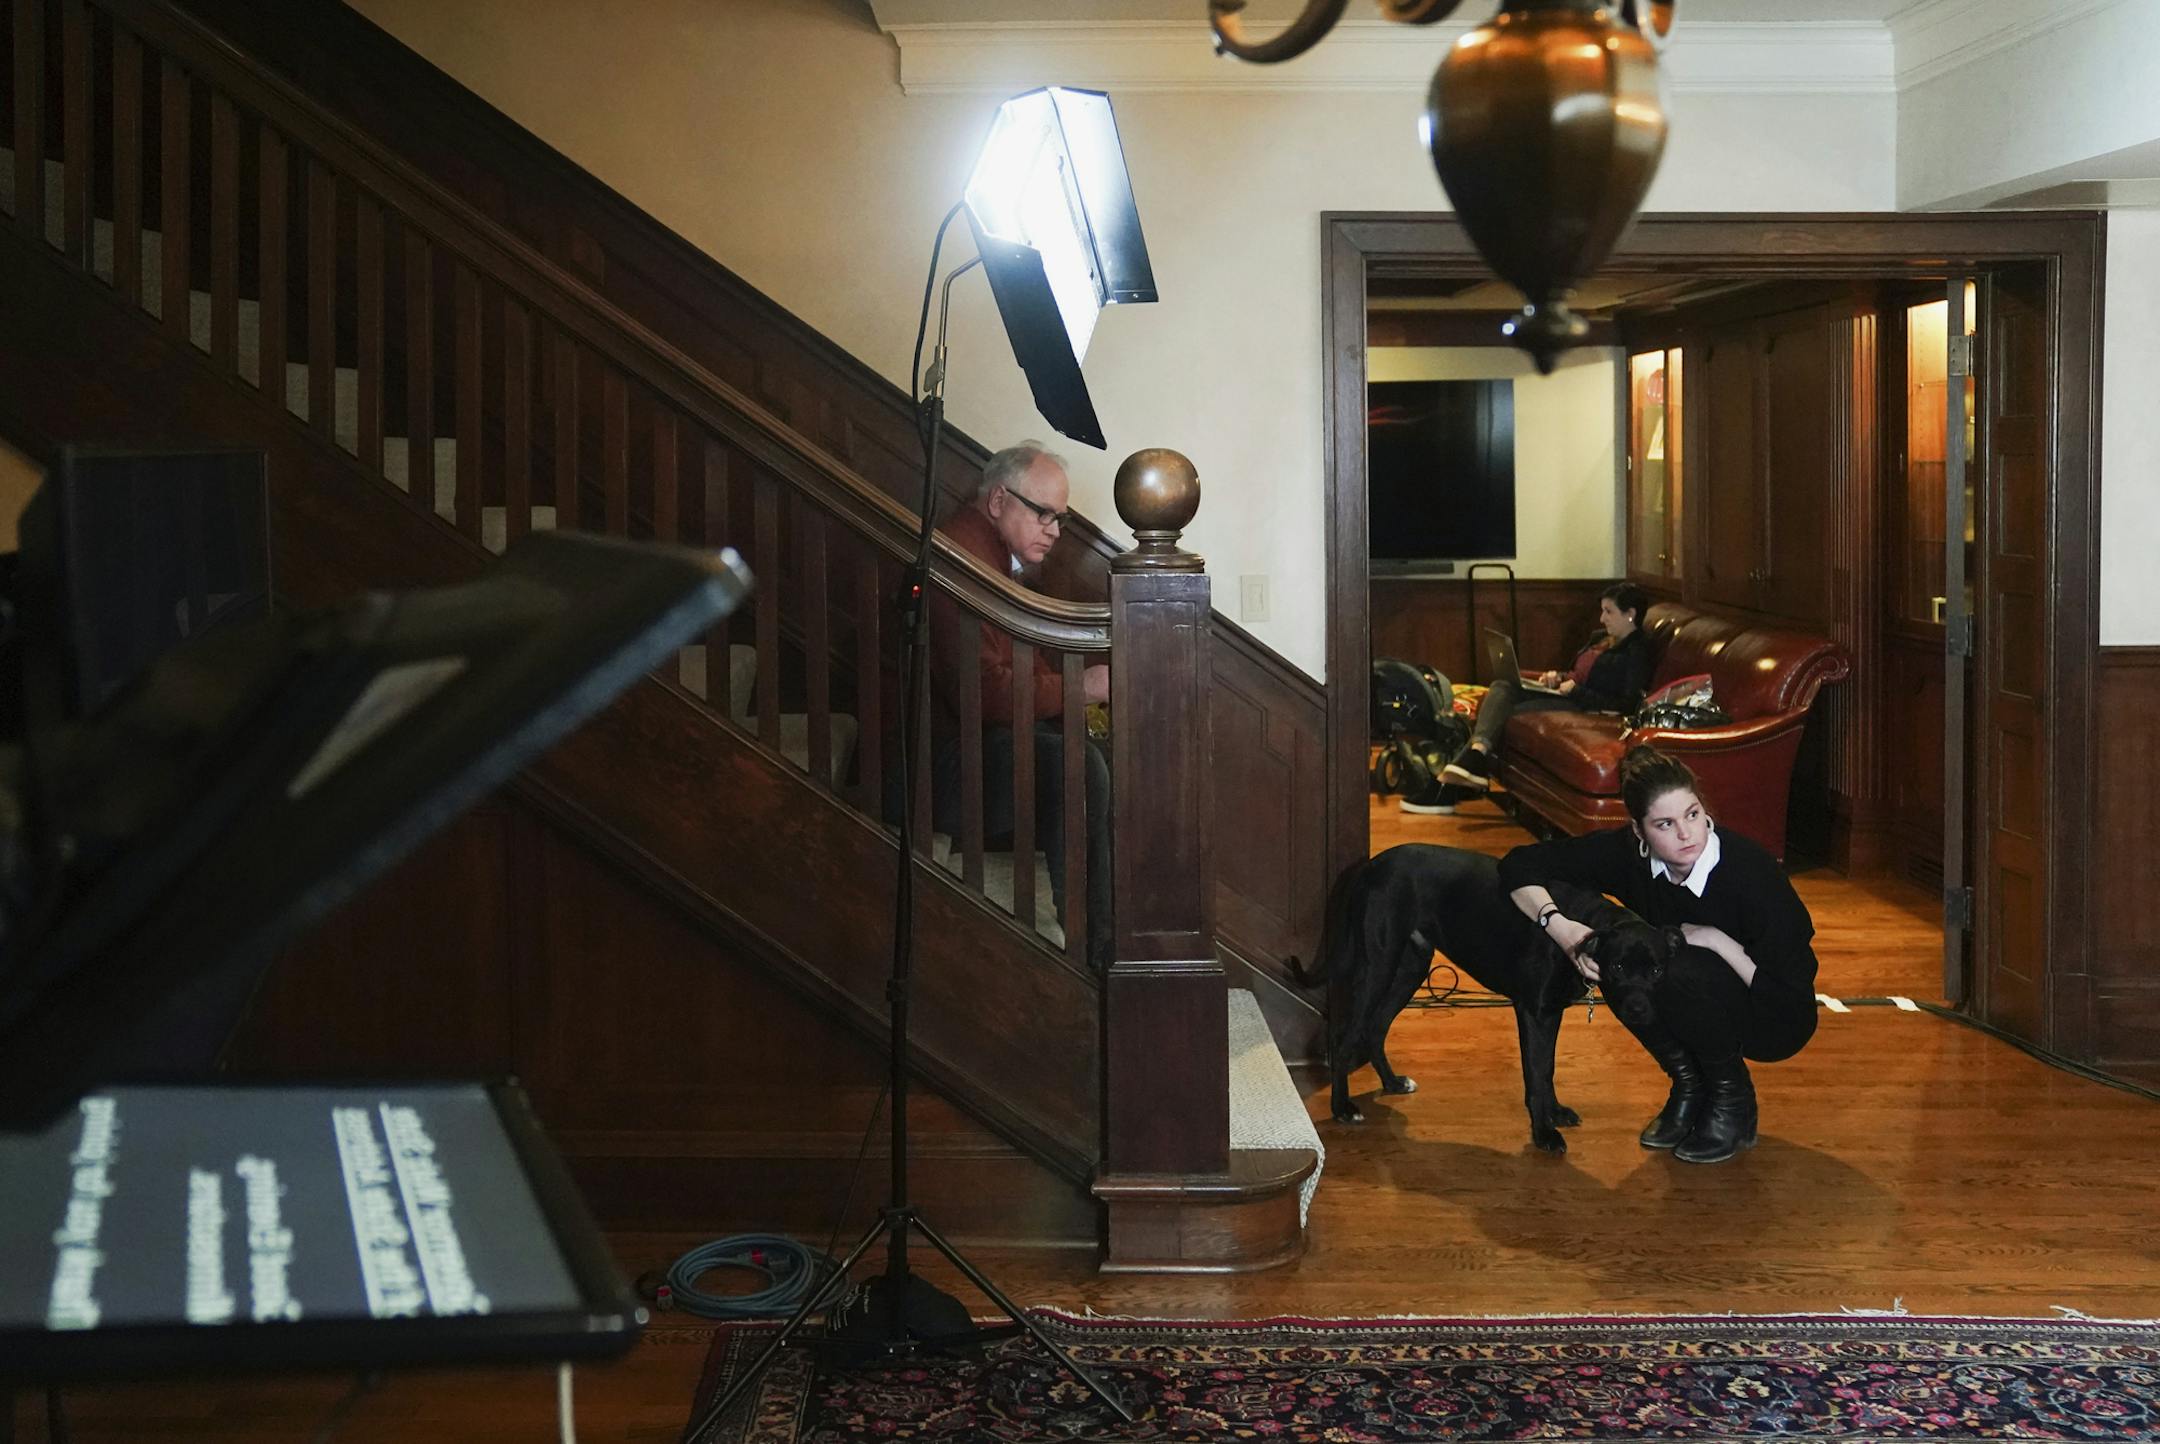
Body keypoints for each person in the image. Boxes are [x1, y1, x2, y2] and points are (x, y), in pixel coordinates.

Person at [1495, 745, 1820, 1163]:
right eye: (1665, 824)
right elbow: (1518, 865)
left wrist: (1718, 941)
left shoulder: (1752, 874)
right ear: (1639, 831)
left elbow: (1788, 992)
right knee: (1618, 959)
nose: (1686, 834)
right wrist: (1563, 930)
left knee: (1678, 965)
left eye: (1692, 814)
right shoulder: (1626, 856)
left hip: (1774, 1016)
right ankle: (1688, 1084)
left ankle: (1732, 1098)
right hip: (1696, 999)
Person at [918, 442, 1113, 966]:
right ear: (999, 500)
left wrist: (1071, 696)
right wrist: (1081, 688)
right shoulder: (962, 559)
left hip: (967, 741)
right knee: (1076, 766)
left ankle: (1108, 933)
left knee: (1090, 755)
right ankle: (1094, 949)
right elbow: (985, 693)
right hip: (931, 762)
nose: (1054, 530)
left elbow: (1019, 665)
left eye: (1060, 518)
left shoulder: (989, 556)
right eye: (1043, 513)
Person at [1400, 581, 1657, 815]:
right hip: (1566, 693)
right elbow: (1578, 673)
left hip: (1584, 706)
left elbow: (1627, 703)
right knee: (1503, 686)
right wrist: (1556, 677)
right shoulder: (1600, 639)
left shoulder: (1638, 651)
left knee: (1506, 711)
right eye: (1602, 611)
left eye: (1609, 611)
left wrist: (1576, 691)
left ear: (1630, 614)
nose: (1602, 618)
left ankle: (1450, 784)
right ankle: (1474, 758)